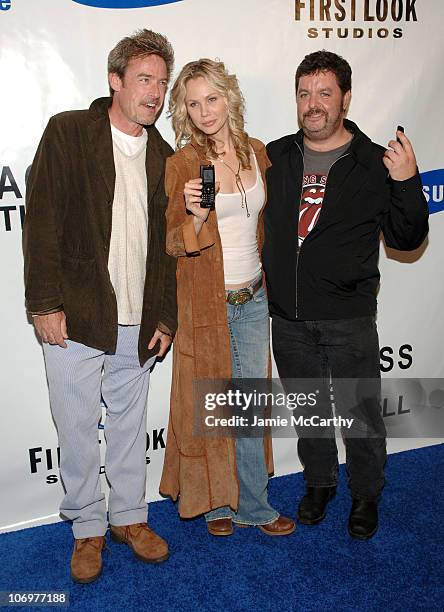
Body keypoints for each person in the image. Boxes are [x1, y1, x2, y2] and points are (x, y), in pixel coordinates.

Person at [22, 29, 177, 583]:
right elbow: (39, 223)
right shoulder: (69, 133)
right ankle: (87, 527)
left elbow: (169, 250)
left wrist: (166, 317)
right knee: (78, 428)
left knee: (131, 429)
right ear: (115, 80)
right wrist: (43, 303)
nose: (155, 92)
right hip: (78, 316)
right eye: (143, 79)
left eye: (161, 81)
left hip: (137, 324)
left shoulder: (164, 154)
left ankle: (129, 518)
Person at [263, 50, 429, 539]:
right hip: (288, 317)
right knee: (309, 412)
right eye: (304, 93)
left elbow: (405, 238)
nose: (313, 104)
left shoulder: (374, 162)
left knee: (360, 415)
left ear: (346, 98)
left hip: (348, 316)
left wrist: (407, 182)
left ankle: (366, 493)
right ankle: (319, 483)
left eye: (325, 93)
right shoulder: (274, 156)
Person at [159, 59, 295, 537]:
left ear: (229, 97)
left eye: (211, 98)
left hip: (254, 299)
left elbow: (269, 223)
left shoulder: (257, 152)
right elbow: (174, 241)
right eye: (193, 103)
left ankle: (254, 505)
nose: (204, 111)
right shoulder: (181, 164)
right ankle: (216, 503)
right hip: (206, 303)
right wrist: (195, 216)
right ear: (184, 111)